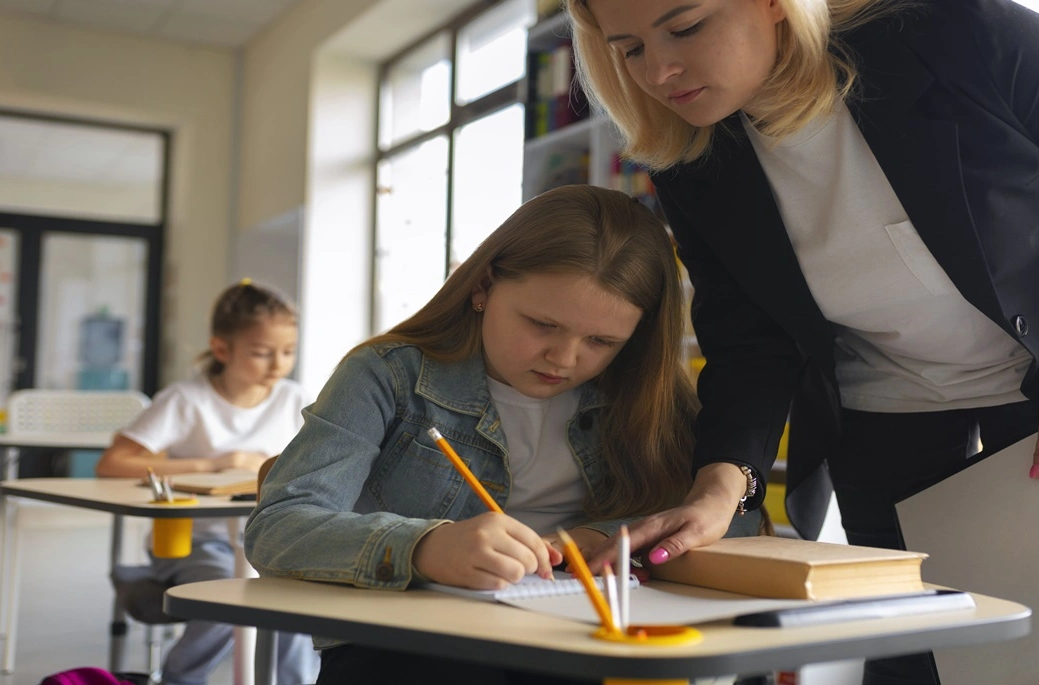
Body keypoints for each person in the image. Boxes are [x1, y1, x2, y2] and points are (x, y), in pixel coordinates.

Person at [567, 0, 1039, 682]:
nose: (660, 69)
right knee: (909, 664)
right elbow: (750, 339)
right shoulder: (693, 158)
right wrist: (718, 487)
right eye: (628, 49)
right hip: (885, 410)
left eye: (686, 27)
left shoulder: (965, 35)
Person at [244, 185, 760, 685]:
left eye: (601, 341)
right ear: (483, 287)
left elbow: (733, 518)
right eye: (541, 324)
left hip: (580, 636)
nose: (563, 358)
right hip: (410, 642)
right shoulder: (386, 375)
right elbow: (277, 528)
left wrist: (604, 537)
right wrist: (425, 547)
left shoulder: (646, 395)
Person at [96, 280, 317, 685]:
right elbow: (114, 463)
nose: (277, 365)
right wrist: (215, 465)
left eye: (288, 352)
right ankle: (178, 680)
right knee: (227, 596)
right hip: (193, 542)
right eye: (262, 353)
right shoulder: (185, 399)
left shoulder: (292, 399)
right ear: (222, 349)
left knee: (292, 604)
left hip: (268, 542)